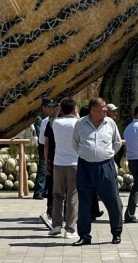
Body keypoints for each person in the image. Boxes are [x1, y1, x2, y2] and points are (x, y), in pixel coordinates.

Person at [71, 97, 123, 246]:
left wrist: (107, 154)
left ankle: (116, 233)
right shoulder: (80, 124)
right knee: (84, 203)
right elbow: (74, 144)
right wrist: (85, 153)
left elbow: (117, 143)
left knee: (113, 201)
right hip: (85, 167)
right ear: (93, 109)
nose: (106, 109)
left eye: (106, 106)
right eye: (103, 107)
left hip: (105, 167)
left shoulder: (110, 123)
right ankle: (84, 236)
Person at [48, 97, 79, 238]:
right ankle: (70, 229)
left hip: (58, 163)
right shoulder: (78, 123)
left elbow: (51, 116)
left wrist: (59, 105)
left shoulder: (57, 123)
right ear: (74, 109)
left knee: (57, 195)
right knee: (72, 196)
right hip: (74, 163)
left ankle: (56, 225)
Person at [40, 101, 60, 229]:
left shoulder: (50, 122)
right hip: (71, 162)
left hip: (55, 161)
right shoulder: (77, 123)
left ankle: (51, 214)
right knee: (69, 192)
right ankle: (65, 217)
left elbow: (44, 143)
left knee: (54, 190)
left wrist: (46, 161)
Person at [33, 98, 54, 200]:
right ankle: (38, 192)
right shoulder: (40, 120)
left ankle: (46, 190)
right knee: (42, 168)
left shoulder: (53, 118)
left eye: (52, 107)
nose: (51, 109)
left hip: (51, 145)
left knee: (50, 168)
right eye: (49, 107)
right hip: (43, 145)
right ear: (43, 108)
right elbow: (39, 133)